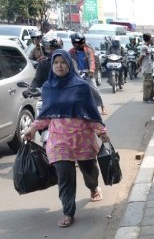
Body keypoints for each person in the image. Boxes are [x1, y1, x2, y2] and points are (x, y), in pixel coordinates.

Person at [24, 49, 110, 228]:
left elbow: (91, 112)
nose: (59, 66)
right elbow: (46, 114)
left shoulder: (82, 87)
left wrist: (101, 131)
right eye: (56, 63)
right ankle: (68, 212)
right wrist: (32, 128)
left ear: (69, 65)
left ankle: (93, 187)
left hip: (82, 138)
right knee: (64, 175)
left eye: (63, 62)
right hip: (59, 140)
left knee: (90, 171)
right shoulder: (48, 87)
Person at [69, 32, 107, 115]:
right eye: (73, 43)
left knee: (95, 91)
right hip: (76, 75)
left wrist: (91, 69)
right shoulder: (71, 52)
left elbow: (91, 60)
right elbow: (70, 62)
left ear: (81, 43)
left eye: (76, 43)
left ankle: (102, 106)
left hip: (88, 74)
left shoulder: (88, 50)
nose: (75, 45)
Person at [137, 33, 154, 103]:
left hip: (149, 68)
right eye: (151, 38)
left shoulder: (148, 47)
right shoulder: (144, 47)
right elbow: (140, 59)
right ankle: (146, 98)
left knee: (151, 83)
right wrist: (141, 67)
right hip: (146, 68)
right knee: (148, 84)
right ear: (149, 38)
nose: (152, 39)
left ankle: (151, 97)